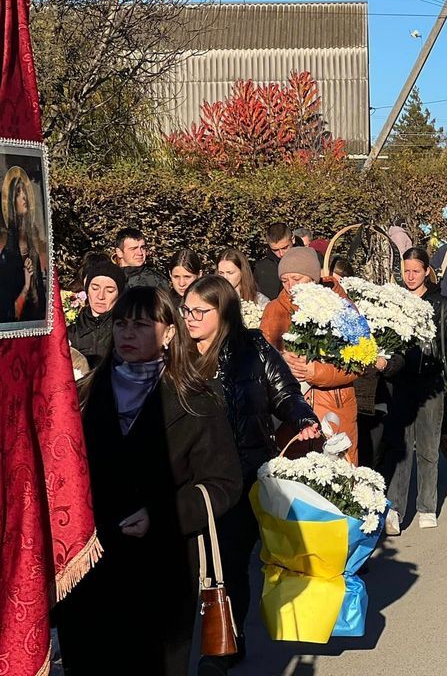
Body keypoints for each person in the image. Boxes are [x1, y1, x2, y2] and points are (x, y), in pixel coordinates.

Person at [54, 287, 242, 676]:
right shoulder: (83, 393)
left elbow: (223, 483)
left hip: (161, 569)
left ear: (169, 333)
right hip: (91, 566)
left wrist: (162, 515)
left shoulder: (196, 400)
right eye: (121, 324)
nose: (127, 334)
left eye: (141, 325)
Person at [180, 275, 319, 671]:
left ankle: (223, 645)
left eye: (199, 311)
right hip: (191, 475)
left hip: (242, 471)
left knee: (230, 561)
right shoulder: (176, 354)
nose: (190, 318)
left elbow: (284, 393)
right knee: (192, 562)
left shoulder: (252, 347)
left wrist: (303, 417)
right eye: (186, 309)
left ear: (222, 313)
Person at [381, 248, 447, 535]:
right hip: (402, 382)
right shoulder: (395, 303)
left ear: (427, 270)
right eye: (406, 271)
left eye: (416, 271)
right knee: (400, 447)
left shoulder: (441, 305)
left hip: (432, 383)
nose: (410, 276)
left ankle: (427, 506)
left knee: (428, 447)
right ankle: (394, 508)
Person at [260, 247, 360, 464]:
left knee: (337, 484)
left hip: (334, 409)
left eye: (297, 278)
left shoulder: (343, 307)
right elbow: (262, 359)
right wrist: (280, 360)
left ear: (313, 277)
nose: (290, 286)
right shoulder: (274, 310)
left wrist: (316, 371)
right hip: (291, 415)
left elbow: (359, 363)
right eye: (285, 280)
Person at [0, 165, 47, 322]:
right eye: (18, 194)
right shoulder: (8, 253)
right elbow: (8, 310)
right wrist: (27, 286)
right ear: (11, 201)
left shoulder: (32, 243)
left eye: (25, 192)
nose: (24, 197)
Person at [68, 261, 126, 369]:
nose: (100, 296)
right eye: (95, 288)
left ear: (119, 293)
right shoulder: (69, 334)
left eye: (109, 291)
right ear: (87, 290)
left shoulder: (127, 334)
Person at [253, 223, 294, 301]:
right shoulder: (261, 267)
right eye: (275, 250)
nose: (281, 254)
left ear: (293, 239)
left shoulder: (311, 259)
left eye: (285, 248)